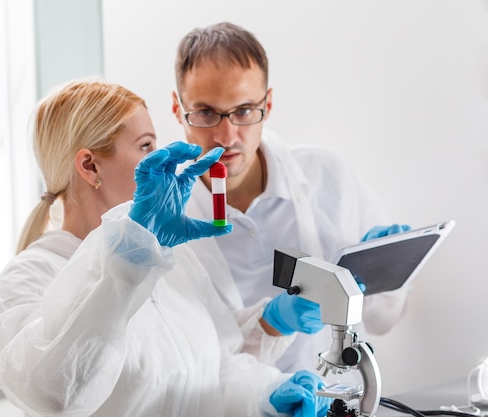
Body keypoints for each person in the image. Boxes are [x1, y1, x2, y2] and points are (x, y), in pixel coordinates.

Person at [0, 79, 333, 417]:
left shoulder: (171, 259)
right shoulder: (29, 277)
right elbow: (58, 394)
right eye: (146, 146)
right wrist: (128, 259)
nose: (163, 159)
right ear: (91, 166)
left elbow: (219, 367)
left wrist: (266, 394)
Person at [172, 22, 412, 373]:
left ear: (267, 104)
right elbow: (182, 362)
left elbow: (386, 318)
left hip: (334, 398)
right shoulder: (167, 220)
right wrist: (272, 322)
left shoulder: (326, 176)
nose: (226, 136)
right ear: (179, 110)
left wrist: (380, 272)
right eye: (206, 112)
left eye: (243, 111)